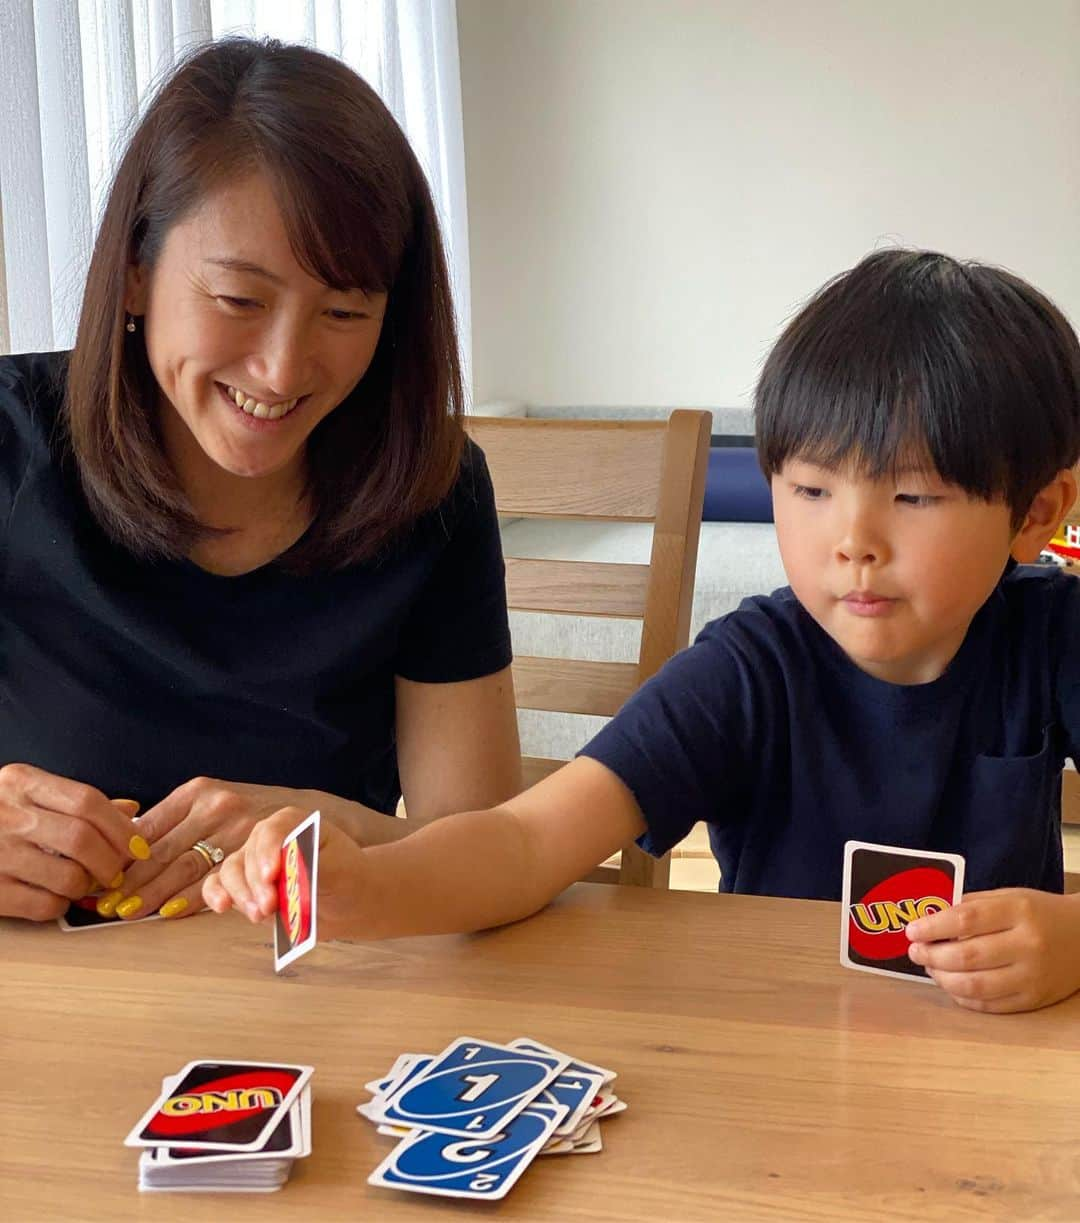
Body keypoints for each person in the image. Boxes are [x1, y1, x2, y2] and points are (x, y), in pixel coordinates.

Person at [207, 249, 1080, 1014]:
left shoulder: (1053, 635)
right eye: (811, 491)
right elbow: (526, 842)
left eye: (914, 496)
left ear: (1036, 514)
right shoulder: (749, 671)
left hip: (999, 1064)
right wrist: (365, 886)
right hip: (784, 1051)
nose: (852, 541)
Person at [0, 38, 522, 924]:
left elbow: (492, 853)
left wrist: (334, 824)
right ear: (134, 272)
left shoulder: (429, 490)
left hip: (303, 1013)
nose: (281, 370)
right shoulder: (12, 439)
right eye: (239, 300)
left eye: (344, 312)